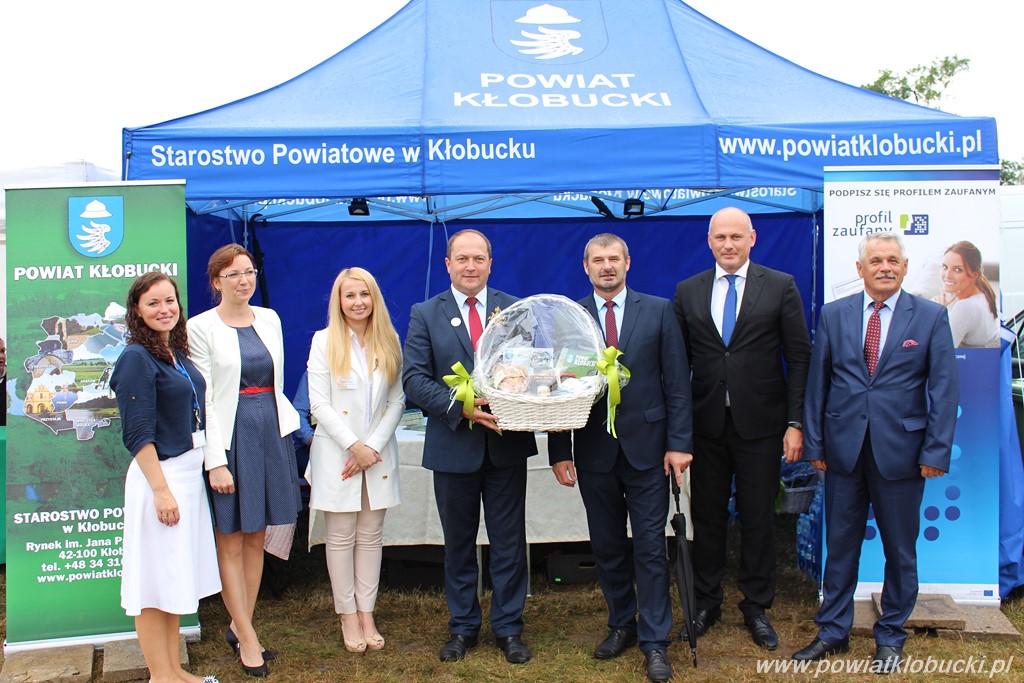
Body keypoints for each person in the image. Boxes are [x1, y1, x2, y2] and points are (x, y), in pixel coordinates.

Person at [793, 232, 959, 673]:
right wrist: (815, 444)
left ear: (904, 267)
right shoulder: (833, 314)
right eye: (876, 260)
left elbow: (944, 389)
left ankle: (891, 636)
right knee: (840, 546)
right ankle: (833, 631)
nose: (884, 267)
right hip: (842, 453)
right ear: (860, 268)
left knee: (899, 551)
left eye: (892, 260)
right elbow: (818, 384)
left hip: (902, 454)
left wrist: (935, 452)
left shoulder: (930, 317)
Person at [548, 233, 693, 683]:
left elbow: (677, 382)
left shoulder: (660, 311)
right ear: (586, 266)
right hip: (594, 451)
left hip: (648, 451)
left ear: (628, 262)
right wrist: (559, 450)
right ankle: (621, 625)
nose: (606, 266)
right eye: (598, 260)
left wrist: (679, 443)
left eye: (614, 258)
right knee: (608, 547)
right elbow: (558, 390)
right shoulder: (571, 318)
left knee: (649, 548)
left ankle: (655, 641)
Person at [672, 206, 811, 650]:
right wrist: (677, 431)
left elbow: (799, 357)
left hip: (763, 426)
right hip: (706, 426)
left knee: (758, 517)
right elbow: (677, 365)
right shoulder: (688, 290)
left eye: (736, 236)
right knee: (707, 517)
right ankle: (706, 602)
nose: (728, 244)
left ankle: (756, 605)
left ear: (753, 238)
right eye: (720, 237)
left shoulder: (781, 285)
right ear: (709, 241)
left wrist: (795, 422)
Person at [402, 229, 538, 664]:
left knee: (509, 543)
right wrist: (461, 407)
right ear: (448, 264)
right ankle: (462, 627)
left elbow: (532, 369)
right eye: (462, 258)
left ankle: (509, 628)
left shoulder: (515, 310)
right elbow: (413, 379)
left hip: (505, 444)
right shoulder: (426, 313)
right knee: (459, 545)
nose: (470, 266)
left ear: (490, 264)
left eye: (479, 258)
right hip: (453, 446)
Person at [187, 244, 303, 677]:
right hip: (231, 436)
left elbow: (276, 382)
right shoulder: (200, 327)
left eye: (249, 271)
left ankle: (241, 626)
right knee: (231, 539)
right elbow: (204, 400)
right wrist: (215, 460)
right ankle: (249, 639)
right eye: (233, 274)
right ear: (216, 281)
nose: (244, 280)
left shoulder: (270, 318)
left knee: (257, 536)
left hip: (270, 430)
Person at [110, 272, 221, 683]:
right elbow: (137, 433)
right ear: (137, 310)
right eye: (153, 303)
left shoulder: (174, 350)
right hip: (161, 478)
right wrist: (161, 491)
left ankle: (173, 671)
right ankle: (161, 676)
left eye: (170, 300)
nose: (164, 309)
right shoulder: (136, 357)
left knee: (172, 578)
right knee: (153, 585)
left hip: (187, 477)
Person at [305, 267, 404, 653]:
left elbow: (397, 401)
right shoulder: (323, 340)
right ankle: (347, 614)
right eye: (350, 295)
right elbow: (318, 404)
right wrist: (354, 446)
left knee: (371, 537)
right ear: (339, 301)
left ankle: (367, 613)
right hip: (338, 454)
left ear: (374, 298)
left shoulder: (389, 339)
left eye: (364, 294)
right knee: (341, 536)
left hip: (376, 455)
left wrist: (371, 447)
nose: (358, 302)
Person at [930, 240, 999, 348]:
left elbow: (941, 351)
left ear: (974, 274)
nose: (947, 275)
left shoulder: (965, 307)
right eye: (945, 267)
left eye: (958, 270)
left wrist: (936, 313)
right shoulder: (983, 293)